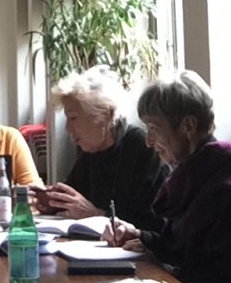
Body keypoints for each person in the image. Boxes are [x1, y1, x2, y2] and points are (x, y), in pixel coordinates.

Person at [102, 70, 231, 283]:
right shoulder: (199, 172)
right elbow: (185, 247)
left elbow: (211, 274)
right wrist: (141, 236)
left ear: (188, 126)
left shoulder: (230, 189)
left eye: (154, 128)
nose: (148, 141)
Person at [31, 65, 167, 229]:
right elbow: (73, 200)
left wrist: (97, 215)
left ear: (105, 114)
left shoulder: (143, 148)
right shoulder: (92, 150)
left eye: (73, 118)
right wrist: (49, 202)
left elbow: (151, 225)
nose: (67, 128)